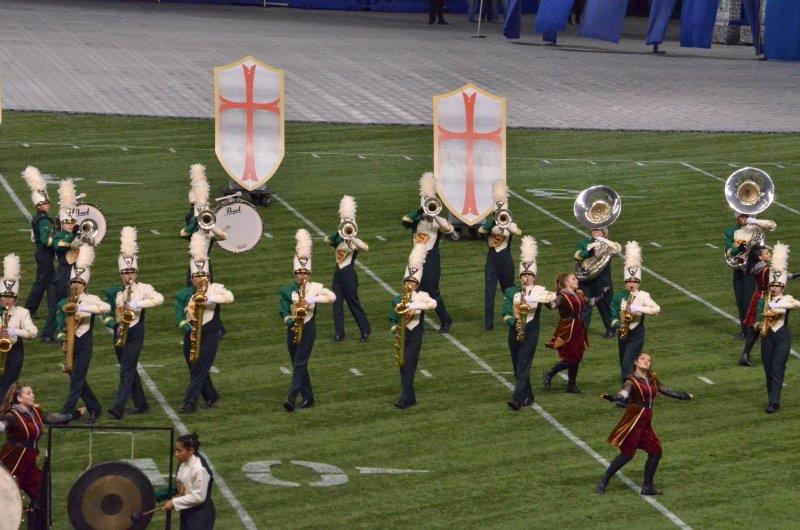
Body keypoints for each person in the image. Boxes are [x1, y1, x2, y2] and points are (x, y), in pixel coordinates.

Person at [596, 352, 693, 495]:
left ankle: (648, 487)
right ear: (636, 362)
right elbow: (624, 393)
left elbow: (665, 390)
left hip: (646, 421)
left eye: (649, 360)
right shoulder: (631, 380)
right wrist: (613, 398)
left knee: (656, 451)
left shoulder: (652, 378)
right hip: (634, 420)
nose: (646, 361)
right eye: (643, 359)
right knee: (627, 454)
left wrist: (683, 396)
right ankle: (604, 481)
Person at [0, 383, 83, 527]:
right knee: (6, 494)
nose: (32, 395)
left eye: (32, 392)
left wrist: (73, 415)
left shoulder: (36, 411)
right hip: (14, 460)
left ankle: (37, 524)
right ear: (19, 398)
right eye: (28, 393)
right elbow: (1, 426)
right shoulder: (12, 415)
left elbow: (51, 418)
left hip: (29, 460)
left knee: (40, 490)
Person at [102, 227, 164, 420]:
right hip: (119, 331)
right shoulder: (113, 291)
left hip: (136, 331)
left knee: (126, 369)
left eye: (132, 272)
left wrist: (138, 304)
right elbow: (106, 312)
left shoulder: (144, 288)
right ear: (121, 273)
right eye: (126, 272)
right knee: (129, 368)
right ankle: (141, 403)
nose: (129, 275)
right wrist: (113, 324)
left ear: (136, 272)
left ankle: (118, 406)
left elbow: (159, 299)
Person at [175, 233, 233, 414]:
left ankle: (189, 402)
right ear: (192, 277)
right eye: (197, 275)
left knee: (199, 368)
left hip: (209, 333)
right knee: (193, 365)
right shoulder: (184, 293)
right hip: (190, 332)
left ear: (208, 275)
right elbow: (178, 314)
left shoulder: (215, 288)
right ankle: (211, 395)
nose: (200, 278)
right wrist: (187, 327)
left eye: (204, 274)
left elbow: (229, 297)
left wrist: (208, 298)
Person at [279, 229, 335, 412]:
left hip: (308, 326)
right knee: (297, 363)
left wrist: (311, 299)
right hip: (293, 327)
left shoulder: (315, 287)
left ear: (309, 273)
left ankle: (291, 398)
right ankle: (308, 398)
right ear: (295, 273)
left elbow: (332, 297)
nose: (302, 276)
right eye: (299, 272)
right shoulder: (287, 290)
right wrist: (289, 319)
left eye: (305, 272)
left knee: (300, 363)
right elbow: (283, 309)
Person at [56, 245, 108, 425]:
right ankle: (95, 408)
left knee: (77, 379)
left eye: (79, 282)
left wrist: (83, 308)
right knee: (77, 379)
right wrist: (61, 337)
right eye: (73, 282)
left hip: (84, 343)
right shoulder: (63, 302)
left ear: (85, 284)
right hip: (68, 344)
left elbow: (106, 307)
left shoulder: (91, 299)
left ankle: (65, 413)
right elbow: (58, 326)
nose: (75, 285)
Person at [501, 236, 555, 410]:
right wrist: (514, 321)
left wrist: (545, 299)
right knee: (517, 366)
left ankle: (517, 399)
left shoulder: (539, 290)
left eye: (529, 275)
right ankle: (529, 396)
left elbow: (552, 303)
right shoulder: (511, 292)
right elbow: (505, 313)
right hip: (514, 330)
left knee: (523, 365)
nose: (526, 278)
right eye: (523, 275)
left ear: (534, 277)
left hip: (531, 330)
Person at [402, 172, 454, 333]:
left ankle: (445, 320)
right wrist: (421, 211)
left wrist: (435, 215)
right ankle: (418, 321)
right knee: (414, 289)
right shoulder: (416, 220)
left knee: (432, 290)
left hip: (431, 258)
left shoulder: (439, 222)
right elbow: (405, 221)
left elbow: (449, 229)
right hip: (416, 257)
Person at [754, 242, 800, 414]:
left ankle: (774, 402)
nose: (774, 288)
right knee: (768, 370)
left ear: (782, 287)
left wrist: (775, 306)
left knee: (777, 369)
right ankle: (771, 398)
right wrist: (759, 325)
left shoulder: (786, 299)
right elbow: (756, 320)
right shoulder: (763, 300)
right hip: (767, 337)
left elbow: (796, 304)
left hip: (782, 337)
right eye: (772, 285)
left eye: (777, 286)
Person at [390, 244, 437, 409]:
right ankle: (411, 398)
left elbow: (433, 304)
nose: (410, 284)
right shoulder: (397, 299)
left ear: (417, 283)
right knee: (402, 366)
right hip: (401, 334)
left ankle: (404, 398)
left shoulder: (421, 296)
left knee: (410, 366)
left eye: (413, 281)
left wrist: (413, 306)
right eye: (408, 281)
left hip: (415, 334)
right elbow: (392, 318)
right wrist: (394, 328)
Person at [542, 272, 605, 394]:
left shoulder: (579, 293)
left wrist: (603, 295)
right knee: (570, 358)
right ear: (567, 283)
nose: (577, 280)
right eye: (573, 279)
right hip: (567, 329)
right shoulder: (561, 296)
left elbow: (590, 302)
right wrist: (543, 300)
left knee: (577, 357)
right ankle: (550, 374)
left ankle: (571, 385)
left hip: (579, 328)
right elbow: (552, 306)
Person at [609, 242, 661, 385]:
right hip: (622, 333)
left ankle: (625, 392)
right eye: (629, 281)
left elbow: (656, 309)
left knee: (627, 363)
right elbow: (613, 316)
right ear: (625, 282)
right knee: (624, 363)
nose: (632, 284)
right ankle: (636, 387)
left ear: (639, 282)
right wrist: (619, 324)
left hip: (637, 333)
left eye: (635, 281)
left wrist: (638, 308)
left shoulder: (643, 295)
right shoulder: (618, 296)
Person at [327, 195, 371, 343]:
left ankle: (365, 330)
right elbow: (328, 240)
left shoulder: (354, 243)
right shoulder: (338, 240)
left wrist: (351, 237)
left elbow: (365, 247)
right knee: (336, 304)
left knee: (353, 304)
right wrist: (340, 232)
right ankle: (339, 333)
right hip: (337, 274)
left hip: (349, 274)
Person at [725, 212, 775, 341]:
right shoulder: (731, 231)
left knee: (749, 301)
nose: (744, 218)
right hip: (738, 269)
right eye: (741, 216)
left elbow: (772, 225)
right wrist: (739, 249)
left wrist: (753, 221)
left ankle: (753, 331)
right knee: (740, 301)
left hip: (753, 271)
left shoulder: (756, 228)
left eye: (746, 216)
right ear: (737, 217)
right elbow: (729, 252)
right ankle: (745, 331)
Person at [479, 180, 522, 331]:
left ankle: (515, 316)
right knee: (489, 292)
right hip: (491, 260)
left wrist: (506, 222)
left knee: (509, 290)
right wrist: (494, 221)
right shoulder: (491, 225)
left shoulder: (511, 225)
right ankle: (488, 324)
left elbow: (517, 232)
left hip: (505, 261)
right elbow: (482, 231)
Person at [21, 166, 55, 342]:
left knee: (47, 282)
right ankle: (31, 310)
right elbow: (45, 239)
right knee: (44, 282)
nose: (49, 204)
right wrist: (56, 239)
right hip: (44, 253)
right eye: (46, 203)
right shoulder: (43, 220)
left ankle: (40, 309)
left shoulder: (38, 217)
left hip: (41, 253)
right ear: (39, 205)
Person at [180, 164, 228, 286]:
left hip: (206, 261)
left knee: (209, 289)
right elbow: (183, 233)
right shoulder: (193, 226)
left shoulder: (210, 230)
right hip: (194, 263)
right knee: (192, 288)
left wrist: (211, 226)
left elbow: (224, 236)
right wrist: (196, 222)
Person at [0, 254, 38, 398]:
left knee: (9, 385)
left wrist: (13, 331)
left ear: (15, 299)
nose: (7, 300)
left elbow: (33, 332)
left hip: (14, 351)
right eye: (4, 297)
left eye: (10, 297)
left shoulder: (22, 312)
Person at [573, 228, 621, 338]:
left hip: (602, 280)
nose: (597, 233)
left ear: (605, 232)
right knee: (584, 306)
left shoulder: (608, 244)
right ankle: (582, 331)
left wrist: (604, 240)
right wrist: (587, 252)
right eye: (595, 230)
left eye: (600, 230)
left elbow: (617, 249)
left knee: (605, 305)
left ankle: (610, 330)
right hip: (585, 280)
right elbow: (576, 255)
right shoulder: (584, 242)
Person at [162, 432, 215, 529]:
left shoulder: (200, 469)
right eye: (176, 450)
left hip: (200, 516)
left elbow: (198, 497)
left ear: (191, 450)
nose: (176, 454)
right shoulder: (184, 462)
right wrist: (160, 495)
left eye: (179, 450)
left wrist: (174, 502)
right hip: (187, 512)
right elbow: (183, 486)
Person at [739, 244, 772, 367]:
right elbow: (783, 279)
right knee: (762, 328)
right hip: (765, 299)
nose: (770, 254)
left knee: (757, 329)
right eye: (767, 253)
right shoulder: (766, 270)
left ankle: (745, 356)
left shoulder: (755, 266)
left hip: (757, 296)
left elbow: (744, 267)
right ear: (760, 257)